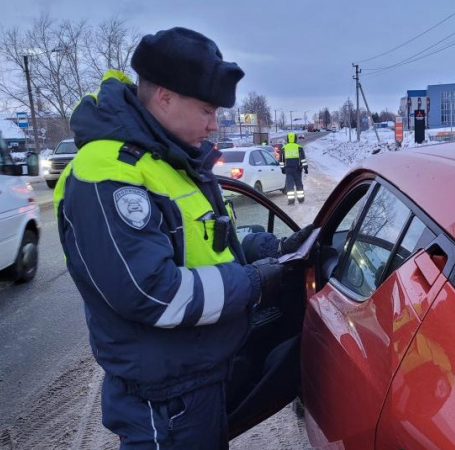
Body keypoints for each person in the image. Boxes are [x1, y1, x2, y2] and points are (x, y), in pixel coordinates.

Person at [54, 27, 312, 448]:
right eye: (207, 110)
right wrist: (253, 282)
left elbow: (202, 243)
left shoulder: (169, 158)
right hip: (164, 403)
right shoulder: (108, 173)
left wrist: (261, 249)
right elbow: (153, 292)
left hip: (195, 381)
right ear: (165, 97)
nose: (214, 125)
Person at [279, 132, 308, 205]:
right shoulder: (299, 147)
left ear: (288, 138)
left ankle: (291, 201)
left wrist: (282, 168)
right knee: (299, 184)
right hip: (298, 169)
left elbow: (281, 160)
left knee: (289, 185)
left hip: (288, 170)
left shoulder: (283, 148)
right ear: (295, 138)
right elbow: (303, 159)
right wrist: (305, 168)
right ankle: (301, 199)